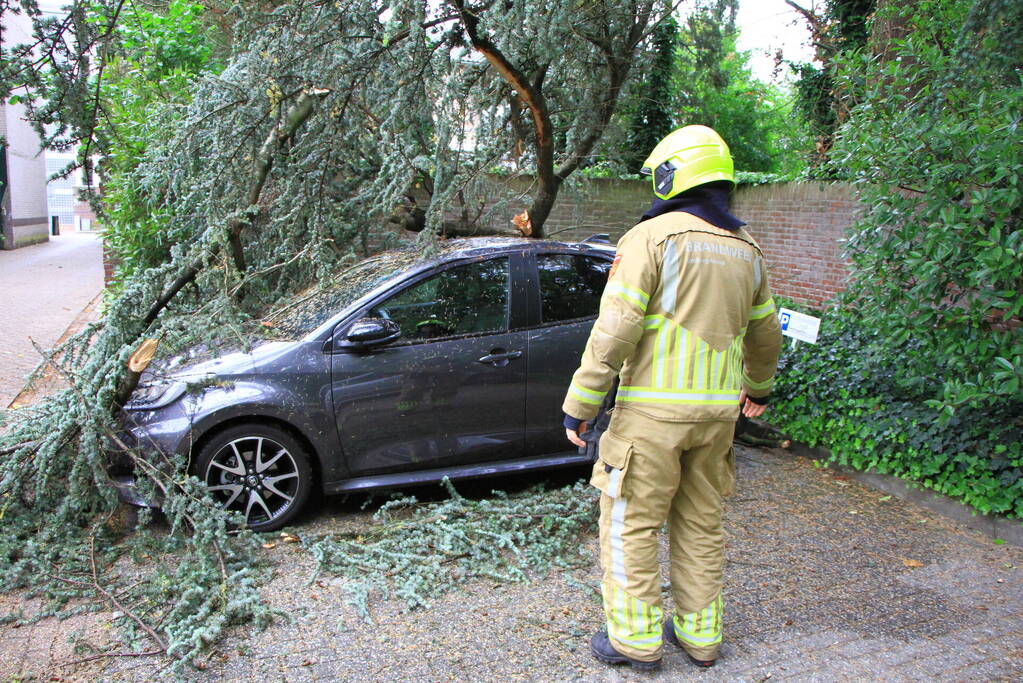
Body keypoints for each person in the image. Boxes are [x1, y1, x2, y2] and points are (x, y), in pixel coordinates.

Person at [562, 125, 782, 671]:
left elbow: (616, 328)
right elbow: (766, 333)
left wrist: (582, 403)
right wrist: (758, 388)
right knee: (701, 524)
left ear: (672, 174)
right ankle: (701, 638)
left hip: (651, 420)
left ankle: (636, 642)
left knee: (630, 523)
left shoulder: (651, 238)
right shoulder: (748, 249)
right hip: (716, 421)